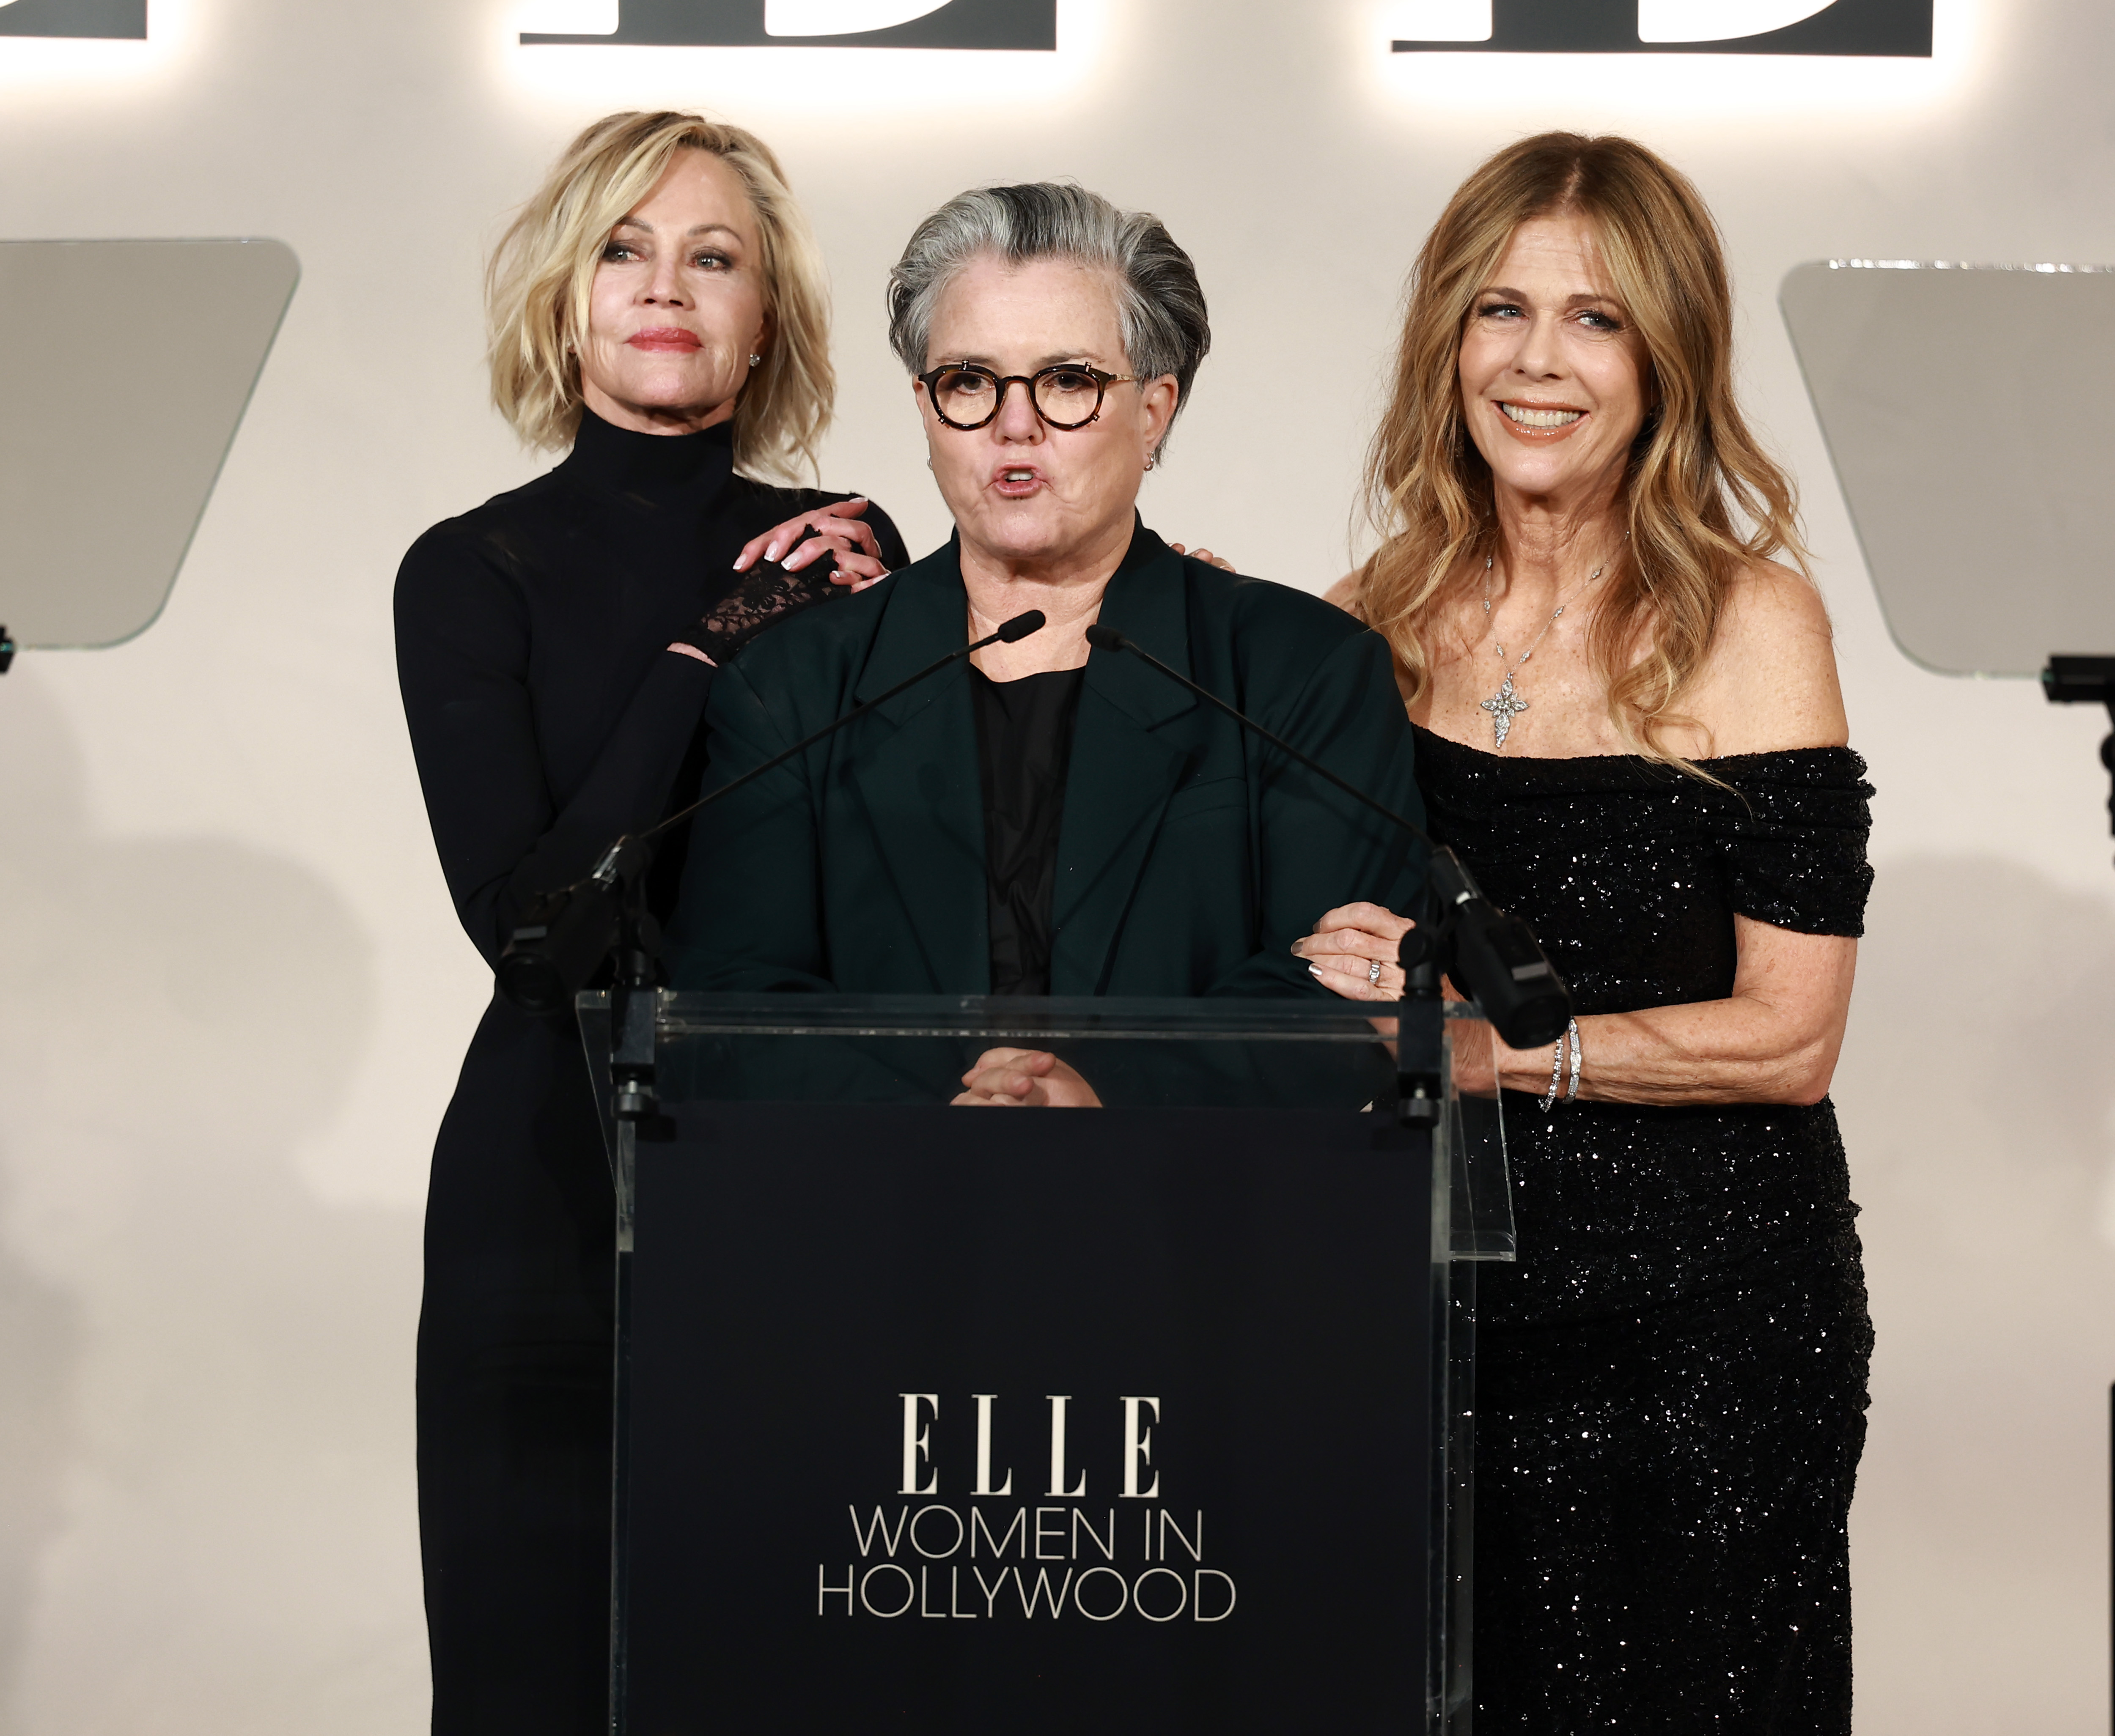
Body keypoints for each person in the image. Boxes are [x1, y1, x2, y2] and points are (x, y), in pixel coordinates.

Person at [1294, 134, 1874, 1730]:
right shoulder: (1357, 624)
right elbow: (1314, 955)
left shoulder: (1751, 619)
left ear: (1667, 353)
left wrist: (1502, 1054)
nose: (1538, 362)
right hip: (1429, 1316)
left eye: (1597, 319)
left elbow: (1791, 1034)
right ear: (1446, 342)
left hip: (1707, 1344)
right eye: (1500, 311)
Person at [393, 110, 906, 1733]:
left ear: (769, 319)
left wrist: (899, 630)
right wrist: (717, 644)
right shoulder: (473, 570)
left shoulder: (862, 567)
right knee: (527, 1685)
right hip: (542, 1200)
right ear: (566, 295)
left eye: (713, 254)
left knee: (790, 1677)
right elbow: (541, 930)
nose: (664, 285)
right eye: (624, 246)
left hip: (798, 1186)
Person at [663, 183, 1420, 1106]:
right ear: (925, 406)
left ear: (1155, 411)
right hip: (879, 1213)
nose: (1013, 425)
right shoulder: (793, 686)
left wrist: (1106, 1094)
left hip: (1202, 1216)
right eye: (970, 382)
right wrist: (949, 1119)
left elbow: (1341, 988)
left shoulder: (1299, 668)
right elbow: (733, 1002)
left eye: (1068, 380)